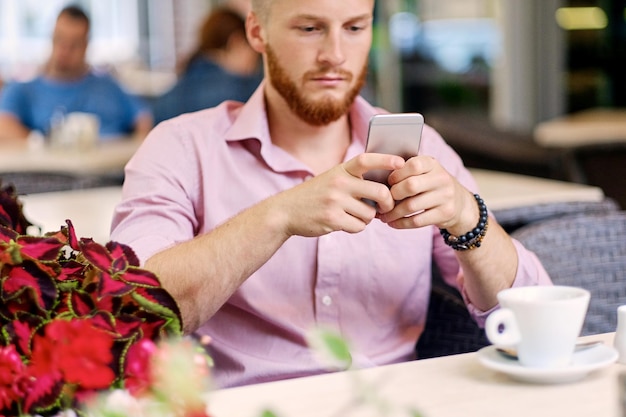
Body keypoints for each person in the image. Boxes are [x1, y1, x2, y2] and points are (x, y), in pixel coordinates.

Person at [111, 0, 552, 388]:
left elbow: (535, 326)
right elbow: (133, 313)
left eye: (355, 28)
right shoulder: (181, 149)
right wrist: (279, 216)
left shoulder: (424, 150)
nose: (335, 55)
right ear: (256, 31)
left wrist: (466, 217)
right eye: (310, 28)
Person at [0, 5, 153, 142]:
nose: (65, 51)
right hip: (56, 170)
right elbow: (4, 125)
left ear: (86, 45)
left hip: (113, 168)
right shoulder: (24, 90)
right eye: (60, 40)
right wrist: (39, 144)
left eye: (74, 44)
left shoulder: (108, 86)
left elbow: (143, 118)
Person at [151, 6, 262, 125]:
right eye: (254, 53)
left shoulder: (170, 97)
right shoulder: (243, 93)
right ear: (236, 42)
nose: (255, 64)